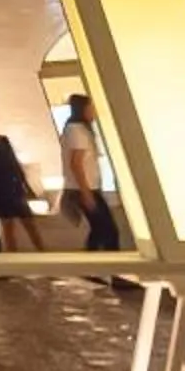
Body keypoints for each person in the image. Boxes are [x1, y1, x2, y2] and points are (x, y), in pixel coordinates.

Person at [0, 109, 48, 250]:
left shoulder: (3, 140)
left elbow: (13, 162)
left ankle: (42, 251)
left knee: (29, 222)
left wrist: (25, 184)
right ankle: (13, 258)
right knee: (8, 227)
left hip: (14, 186)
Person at [62, 92, 125, 254]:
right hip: (83, 189)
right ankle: (113, 271)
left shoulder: (78, 129)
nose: (93, 112)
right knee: (109, 231)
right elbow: (76, 164)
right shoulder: (76, 130)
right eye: (91, 108)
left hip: (86, 188)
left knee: (100, 230)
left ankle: (95, 269)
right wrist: (86, 193)